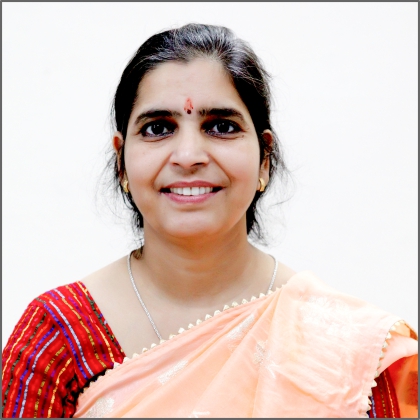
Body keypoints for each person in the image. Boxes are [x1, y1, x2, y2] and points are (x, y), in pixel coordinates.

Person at [2, 23, 417, 418]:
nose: (188, 156)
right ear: (122, 162)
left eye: (220, 126)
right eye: (158, 128)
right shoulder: (56, 340)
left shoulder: (353, 351)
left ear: (265, 159)